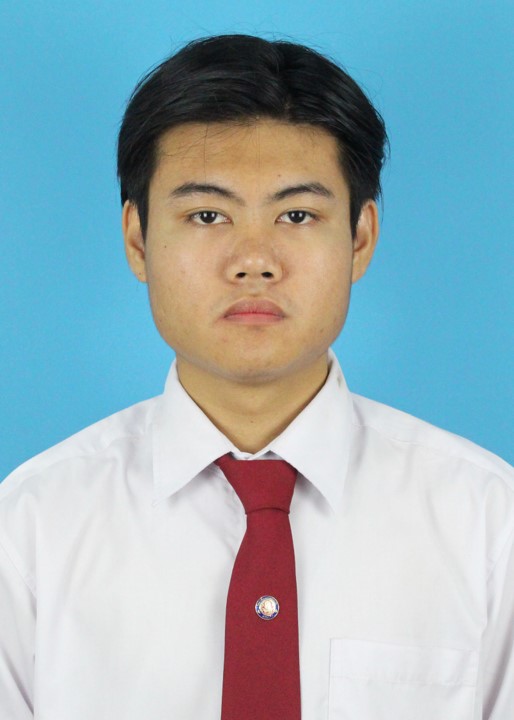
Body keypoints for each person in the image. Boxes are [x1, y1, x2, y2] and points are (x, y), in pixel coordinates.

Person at [0, 34, 512, 720]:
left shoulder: (489, 524)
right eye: (207, 215)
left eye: (296, 215)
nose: (253, 260)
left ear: (360, 238)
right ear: (137, 239)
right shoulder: (28, 530)